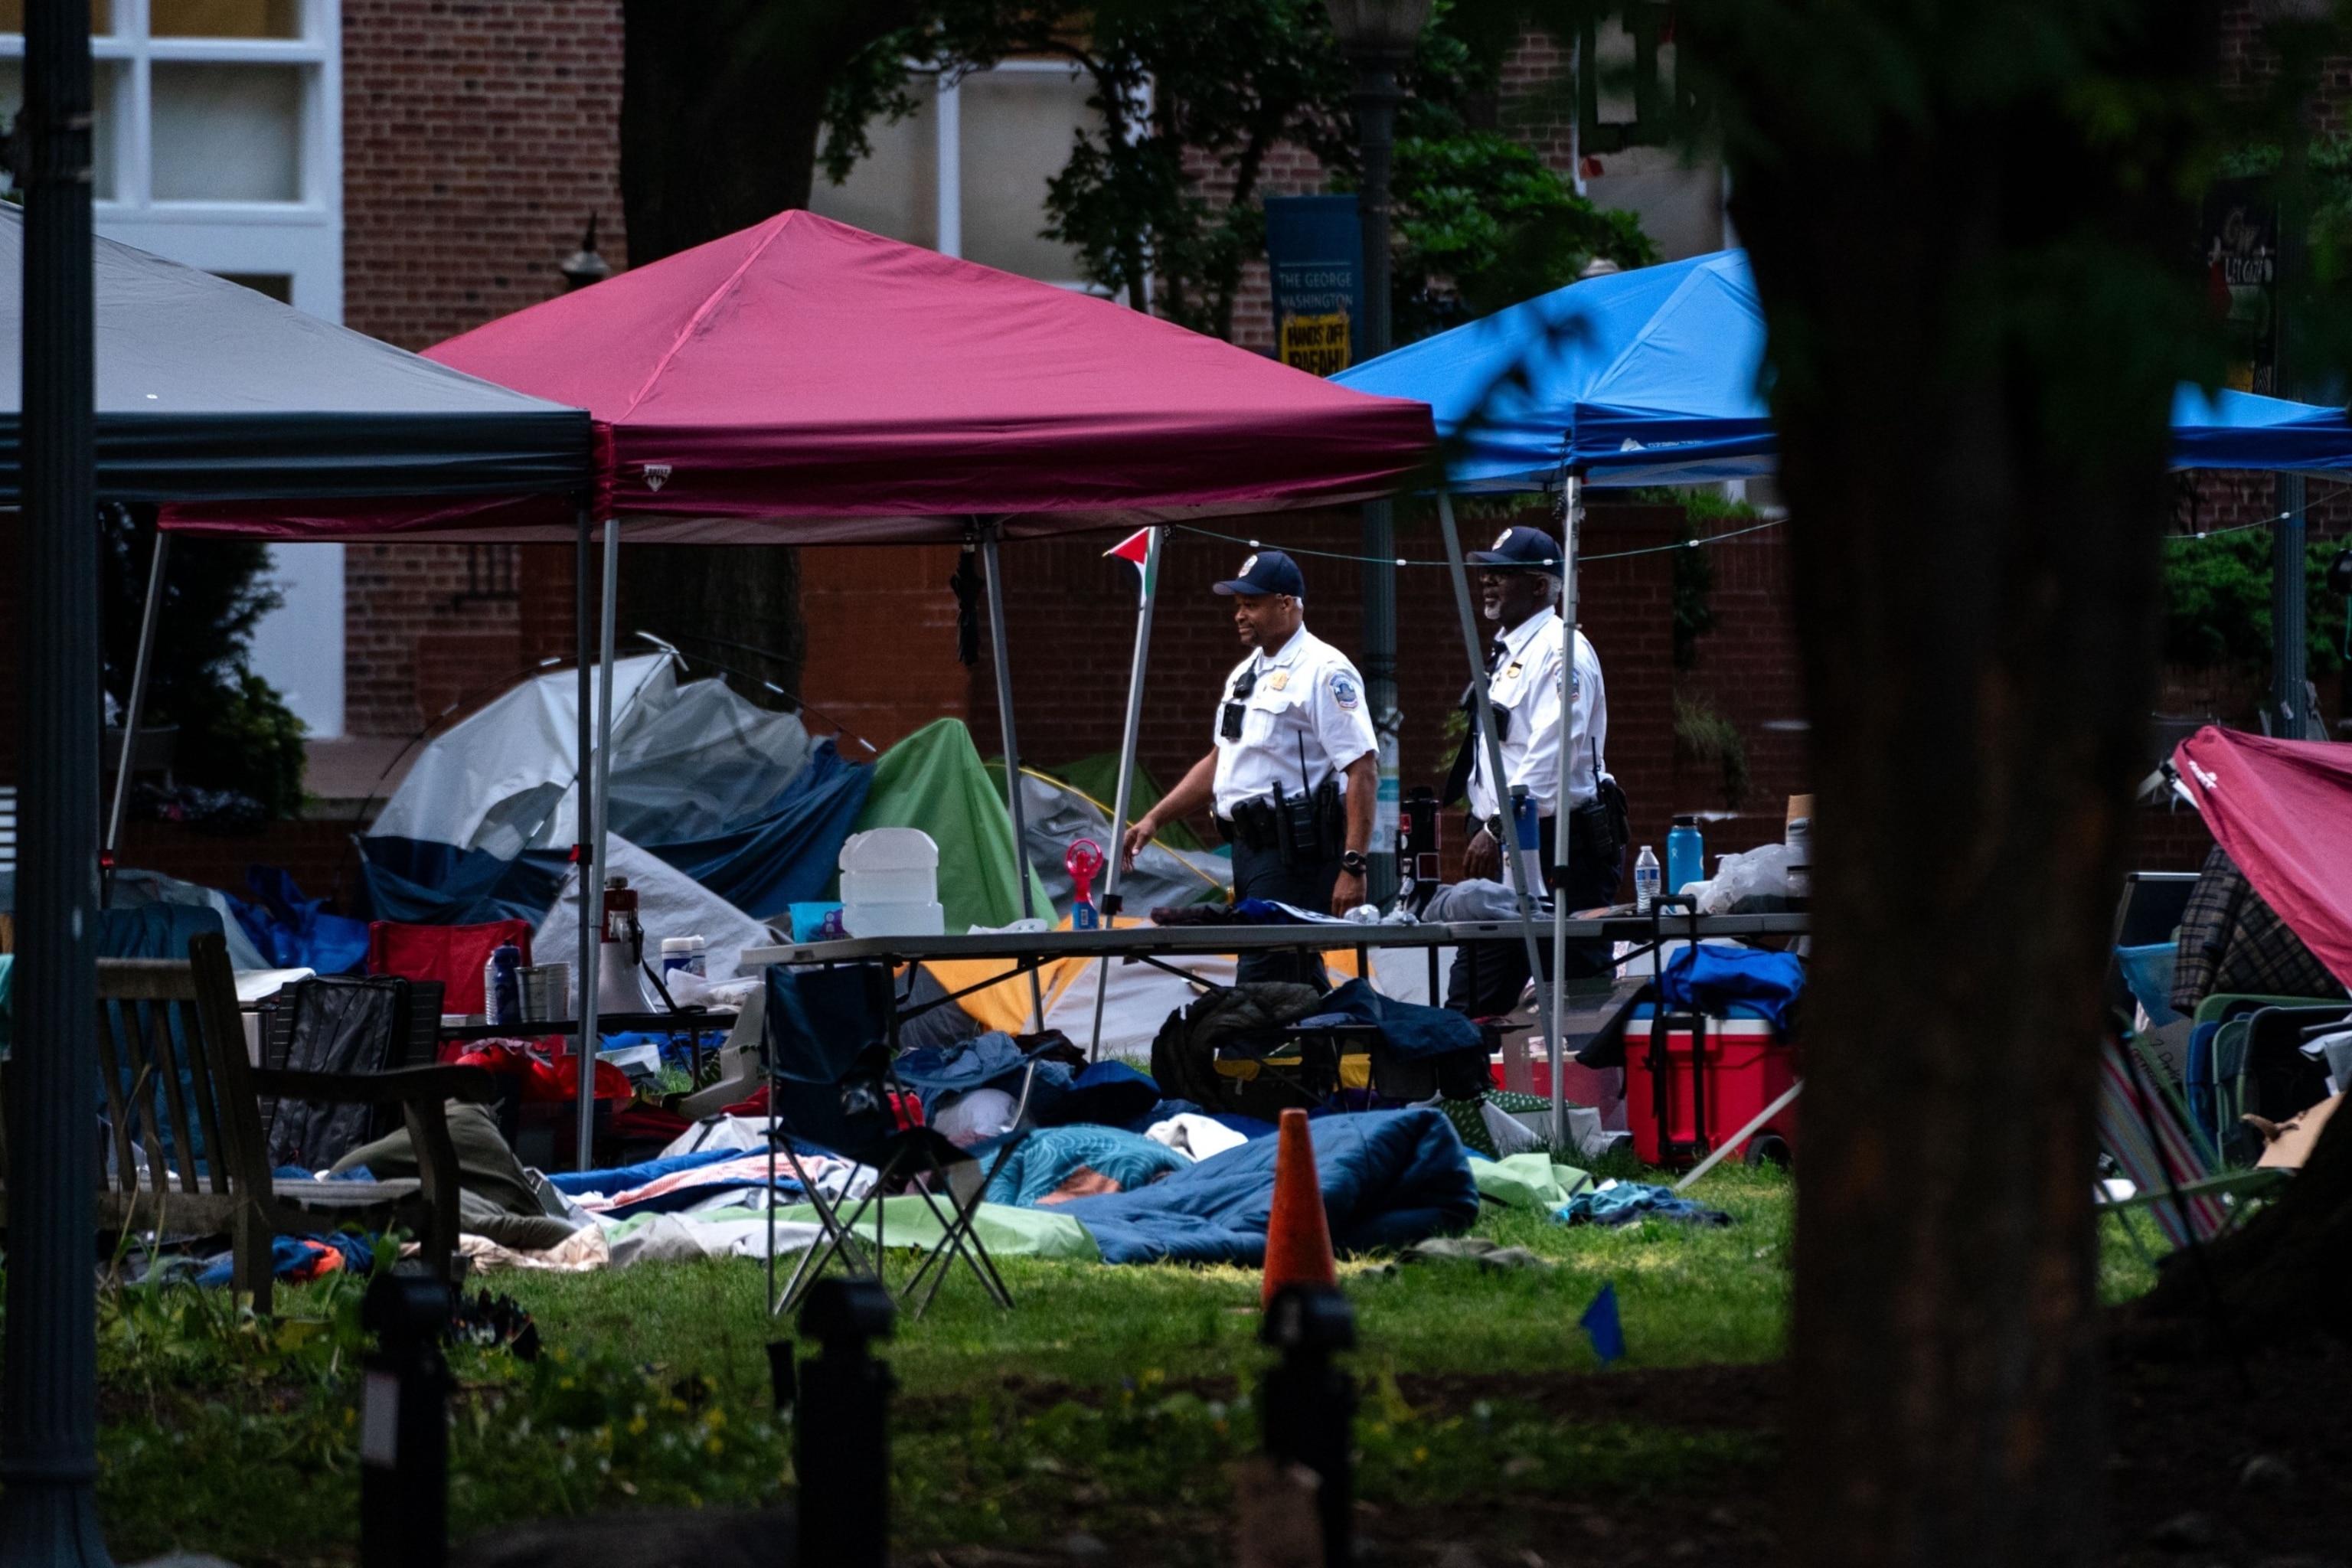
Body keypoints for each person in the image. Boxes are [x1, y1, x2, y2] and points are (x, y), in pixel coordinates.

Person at [1122, 550, 1379, 986]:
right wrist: (1155, 818)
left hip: (1296, 851)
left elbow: (1363, 769)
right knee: (1290, 976)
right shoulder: (1246, 674)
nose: (1240, 615)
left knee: (1264, 977)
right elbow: (1220, 760)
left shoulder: (1324, 670)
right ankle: (1337, 1049)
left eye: (1251, 604)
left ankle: (1297, 1051)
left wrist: (1353, 866)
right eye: (1238, 605)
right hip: (1250, 850)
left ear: (1286, 603)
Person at [1442, 524, 1623, 1018]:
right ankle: (1468, 1096)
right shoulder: (1509, 653)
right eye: (1486, 572)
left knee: (1579, 1012)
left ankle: (1589, 1099)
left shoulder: (1561, 651)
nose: (1487, 582)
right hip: (1505, 860)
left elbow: (1553, 758)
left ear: (1540, 586)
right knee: (1470, 1009)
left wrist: (1497, 825)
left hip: (1562, 855)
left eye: (1502, 573)